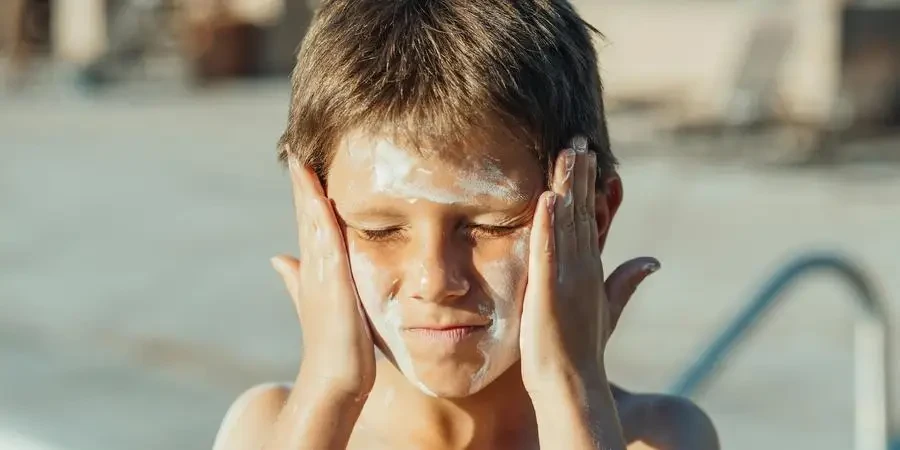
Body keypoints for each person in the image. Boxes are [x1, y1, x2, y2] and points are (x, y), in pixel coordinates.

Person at [214, 0, 720, 449]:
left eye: (490, 225)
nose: (435, 281)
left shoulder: (656, 437)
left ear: (594, 217)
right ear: (315, 225)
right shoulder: (269, 430)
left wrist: (569, 388)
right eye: (380, 230)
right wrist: (328, 392)